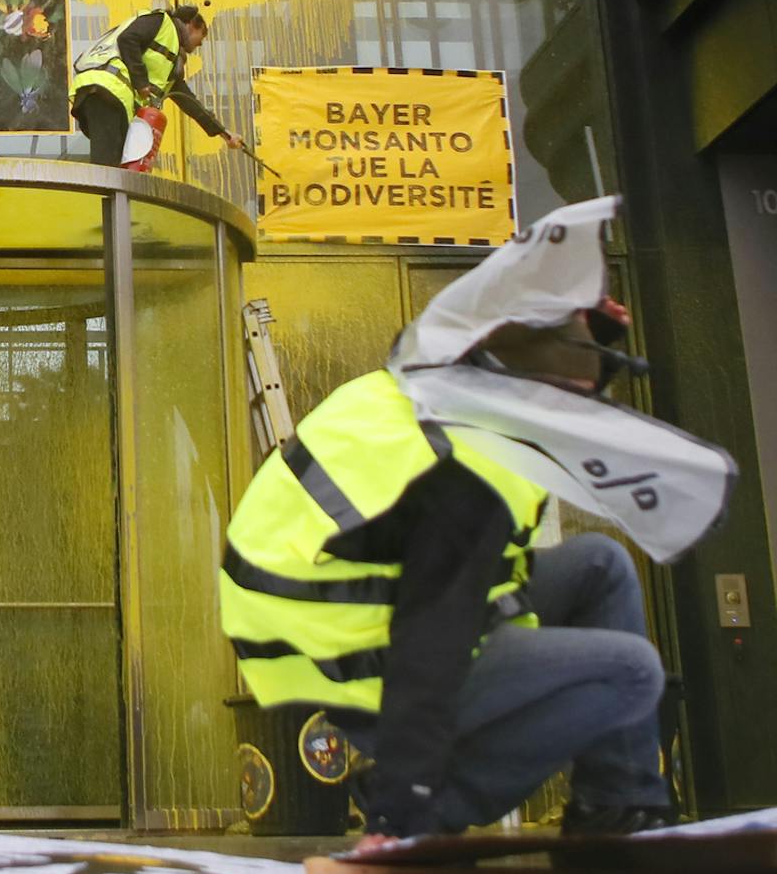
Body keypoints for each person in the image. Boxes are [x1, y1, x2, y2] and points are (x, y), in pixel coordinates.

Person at [221, 297, 679, 844]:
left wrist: (587, 336)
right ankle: (438, 805)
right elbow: (429, 638)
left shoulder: (438, 391)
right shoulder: (473, 473)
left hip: (346, 602)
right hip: (354, 654)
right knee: (630, 671)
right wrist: (403, 805)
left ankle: (616, 803)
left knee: (599, 565)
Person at [70, 3, 243, 168]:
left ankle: (112, 197)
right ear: (191, 25)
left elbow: (189, 102)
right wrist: (141, 83)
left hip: (107, 95)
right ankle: (106, 196)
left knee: (116, 162)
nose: (200, 44)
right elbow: (128, 39)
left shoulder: (170, 60)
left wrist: (224, 133)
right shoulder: (160, 21)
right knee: (108, 166)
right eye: (202, 36)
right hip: (106, 91)